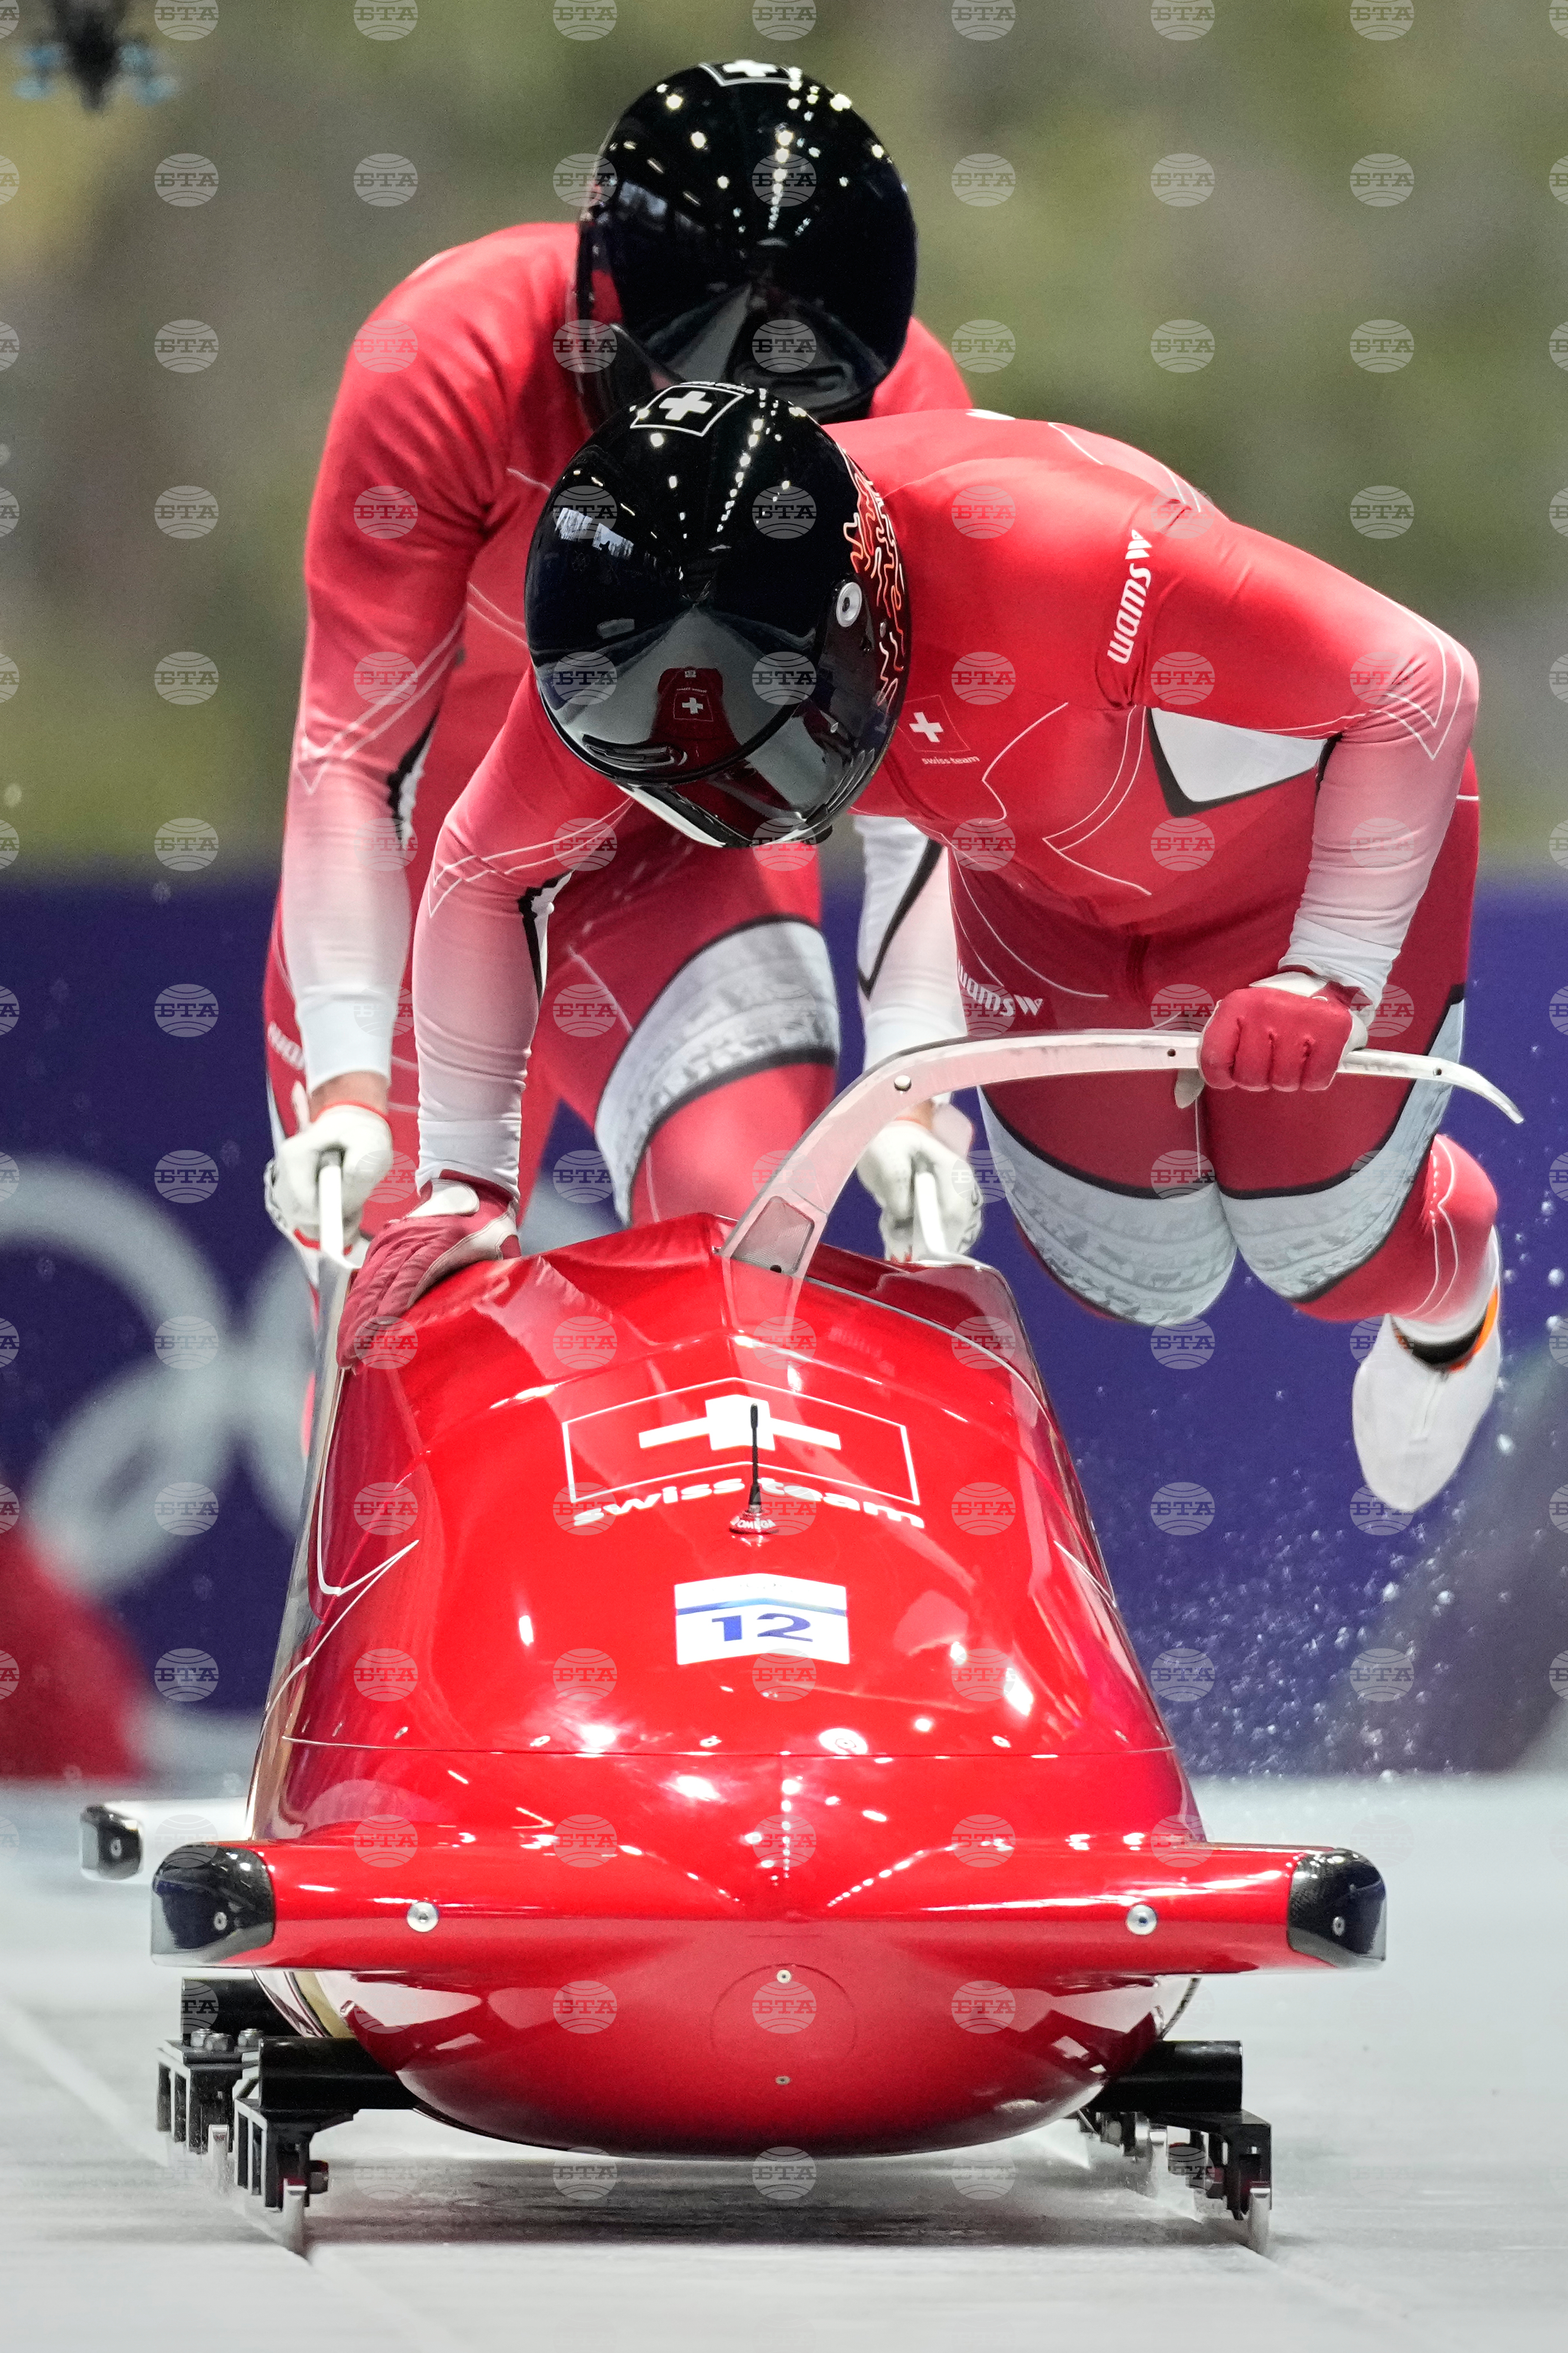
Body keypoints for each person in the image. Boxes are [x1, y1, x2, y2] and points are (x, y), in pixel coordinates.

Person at [341, 389, 1497, 1517]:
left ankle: (1452, 1301)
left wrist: (1327, 967)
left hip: (1292, 876)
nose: (760, 805)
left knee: (1325, 1254)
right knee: (1136, 1273)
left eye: (775, 746)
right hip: (1042, 893)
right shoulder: (625, 650)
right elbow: (482, 869)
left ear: (863, 613)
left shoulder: (1062, 552)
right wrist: (465, 1185)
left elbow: (1416, 680)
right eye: (701, 782)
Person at [262, 59, 978, 1267]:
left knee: (735, 1236)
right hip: (433, 861)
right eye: (692, 396)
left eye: (786, 426)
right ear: (598, 314)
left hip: (681, 855)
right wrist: (345, 1080)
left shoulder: (908, 409)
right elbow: (353, 758)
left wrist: (915, 1090)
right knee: (396, 1296)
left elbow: (928, 789)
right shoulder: (447, 362)